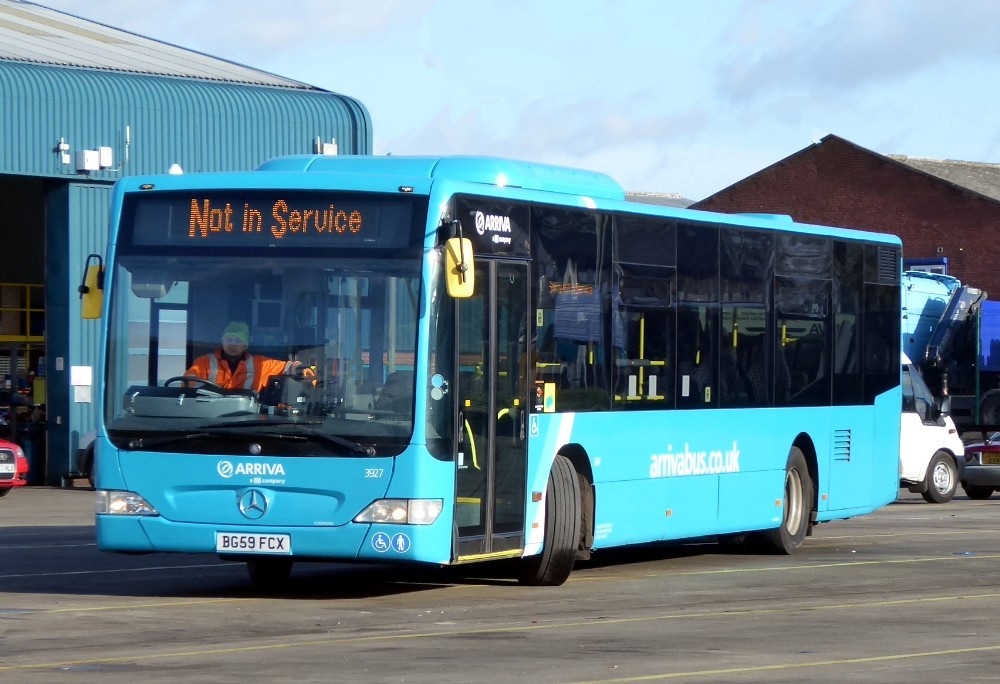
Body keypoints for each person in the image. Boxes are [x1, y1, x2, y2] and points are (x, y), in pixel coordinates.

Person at [184, 321, 313, 393]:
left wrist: (302, 369)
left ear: (245, 345)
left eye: (238, 340)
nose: (232, 344)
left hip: (247, 421)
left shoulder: (260, 364)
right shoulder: (204, 362)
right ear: (222, 342)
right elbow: (189, 380)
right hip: (211, 418)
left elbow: (286, 366)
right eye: (229, 339)